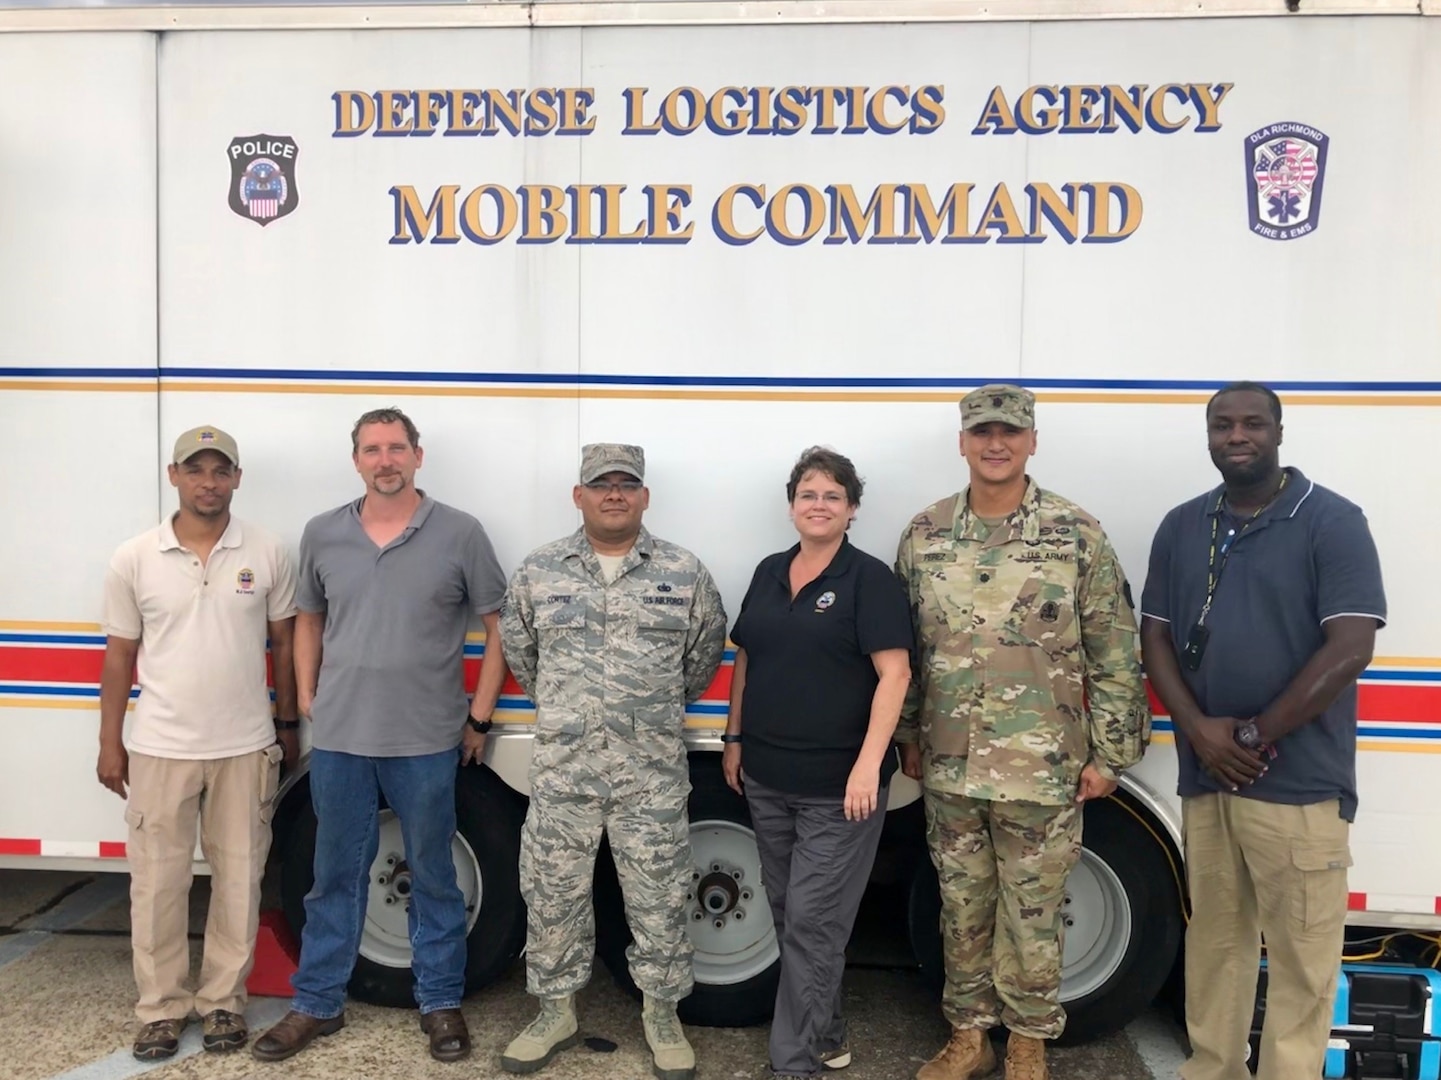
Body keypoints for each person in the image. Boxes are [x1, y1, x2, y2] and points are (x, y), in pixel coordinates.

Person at [895, 385, 1150, 1080]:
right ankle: (967, 1037)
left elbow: (1114, 650)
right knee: (961, 906)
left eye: (1009, 432)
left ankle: (1029, 1043)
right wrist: (909, 734)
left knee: (1035, 912)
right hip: (949, 763)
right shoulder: (924, 535)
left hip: (1044, 764)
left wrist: (1111, 755)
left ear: (1032, 440)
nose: (995, 444)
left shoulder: (1075, 533)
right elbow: (905, 650)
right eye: (981, 432)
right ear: (962, 442)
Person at [1139, 381, 1385, 1080]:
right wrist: (1200, 732)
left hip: (1299, 786)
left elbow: (1349, 647)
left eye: (1251, 423)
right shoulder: (1184, 524)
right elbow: (1153, 635)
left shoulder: (1331, 521)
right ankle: (1212, 1069)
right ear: (1208, 434)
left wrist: (1251, 738)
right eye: (1222, 424)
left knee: (1302, 964)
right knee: (1215, 947)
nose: (1235, 435)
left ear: (1278, 431)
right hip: (1207, 778)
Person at [252, 407, 510, 1064]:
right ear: (357, 460)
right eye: (373, 449)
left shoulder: (459, 533)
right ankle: (316, 1003)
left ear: (417, 457)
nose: (385, 460)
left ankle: (440, 1002)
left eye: (397, 448)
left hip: (427, 741)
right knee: (331, 875)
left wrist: (478, 717)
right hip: (341, 740)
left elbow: (498, 624)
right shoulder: (324, 533)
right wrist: (309, 695)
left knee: (433, 875)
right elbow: (308, 618)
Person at [498, 443, 727, 1080]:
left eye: (628, 484)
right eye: (602, 484)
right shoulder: (541, 570)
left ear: (645, 496)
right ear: (580, 495)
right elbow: (522, 650)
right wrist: (576, 710)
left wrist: (641, 713)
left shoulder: (683, 572)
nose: (615, 494)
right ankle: (554, 1012)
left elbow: (701, 657)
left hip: (649, 772)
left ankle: (661, 1014)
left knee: (657, 897)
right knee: (552, 896)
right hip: (565, 772)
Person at [98, 425, 298, 1060]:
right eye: (196, 469)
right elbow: (119, 656)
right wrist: (111, 743)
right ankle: (159, 1009)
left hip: (245, 745)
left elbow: (286, 645)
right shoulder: (134, 557)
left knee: (240, 879)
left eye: (220, 470)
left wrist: (289, 725)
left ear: (237, 478)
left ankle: (221, 1005)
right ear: (173, 475)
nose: (208, 482)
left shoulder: (266, 551)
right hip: (159, 746)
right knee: (157, 884)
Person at [721, 446, 912, 1079]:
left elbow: (895, 674)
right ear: (791, 505)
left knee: (814, 924)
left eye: (833, 495)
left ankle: (793, 1063)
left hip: (840, 788)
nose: (819, 504)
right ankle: (826, 1034)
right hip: (769, 778)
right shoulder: (770, 571)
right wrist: (735, 738)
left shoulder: (870, 580)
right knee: (789, 917)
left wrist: (868, 765)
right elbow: (748, 658)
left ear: (852, 510)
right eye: (809, 493)